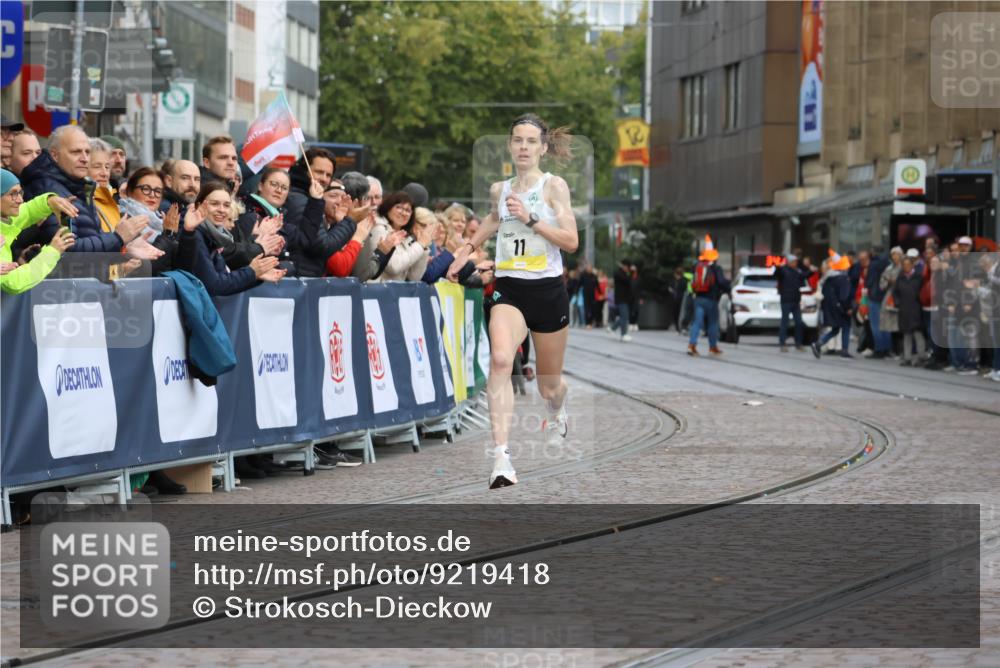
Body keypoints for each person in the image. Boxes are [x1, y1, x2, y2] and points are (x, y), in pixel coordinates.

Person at [446, 113, 578, 489]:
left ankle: (558, 406)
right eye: (517, 140)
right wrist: (467, 249)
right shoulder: (500, 189)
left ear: (543, 147)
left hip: (548, 291)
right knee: (502, 360)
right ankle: (501, 459)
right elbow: (491, 219)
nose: (523, 147)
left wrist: (533, 219)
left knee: (549, 386)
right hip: (511, 289)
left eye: (531, 141)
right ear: (509, 145)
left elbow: (571, 242)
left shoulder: (555, 187)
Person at [17, 126, 145, 259]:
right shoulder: (46, 189)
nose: (84, 158)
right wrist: (118, 237)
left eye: (87, 152)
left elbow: (93, 243)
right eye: (76, 152)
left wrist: (125, 254)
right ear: (54, 155)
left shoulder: (82, 188)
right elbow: (67, 250)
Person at [175, 181, 285, 295]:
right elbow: (215, 285)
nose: (221, 210)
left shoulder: (214, 236)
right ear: (199, 205)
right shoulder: (196, 234)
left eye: (226, 205)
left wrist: (256, 275)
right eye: (214, 204)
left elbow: (223, 280)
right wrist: (251, 272)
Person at [0, 169, 78, 293]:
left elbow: (29, 210)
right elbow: (14, 282)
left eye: (20, 192)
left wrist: (50, 201)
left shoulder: (5, 218)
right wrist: (53, 251)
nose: (20, 200)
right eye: (13, 194)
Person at [364, 192, 433, 282]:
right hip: (378, 292)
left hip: (397, 293)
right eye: (399, 207)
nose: (403, 213)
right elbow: (394, 267)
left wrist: (423, 249)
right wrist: (419, 245)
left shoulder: (407, 237)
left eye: (408, 210)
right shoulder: (379, 229)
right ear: (388, 208)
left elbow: (414, 278)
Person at [687, 235, 730, 356]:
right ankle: (713, 347)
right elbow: (721, 282)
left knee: (697, 322)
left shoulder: (696, 267)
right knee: (712, 323)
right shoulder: (716, 268)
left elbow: (692, 280)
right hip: (711, 299)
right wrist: (728, 286)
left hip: (698, 298)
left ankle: (692, 345)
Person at [811, 250, 854, 359]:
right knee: (846, 327)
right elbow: (844, 296)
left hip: (831, 308)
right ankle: (844, 350)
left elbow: (825, 293)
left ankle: (819, 343)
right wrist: (848, 307)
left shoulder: (828, 278)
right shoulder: (843, 279)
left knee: (835, 329)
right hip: (841, 308)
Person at [893, 255, 927, 366]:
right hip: (904, 309)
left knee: (917, 333)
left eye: (908, 264)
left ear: (912, 265)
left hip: (916, 308)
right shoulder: (901, 277)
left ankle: (921, 356)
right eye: (904, 265)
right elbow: (895, 292)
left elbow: (923, 291)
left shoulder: (918, 277)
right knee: (906, 334)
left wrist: (920, 301)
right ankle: (907, 357)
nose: (906, 267)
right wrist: (897, 302)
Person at [775, 254, 808, 351]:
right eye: (794, 261)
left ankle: (798, 343)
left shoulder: (797, 271)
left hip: (796, 300)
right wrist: (778, 268)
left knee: (799, 322)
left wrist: (810, 270)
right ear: (789, 262)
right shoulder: (783, 270)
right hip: (786, 300)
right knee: (785, 322)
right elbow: (777, 274)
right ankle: (782, 343)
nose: (796, 263)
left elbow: (804, 275)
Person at [611, 258, 633, 341]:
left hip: (626, 298)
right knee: (624, 317)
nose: (628, 268)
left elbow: (629, 282)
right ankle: (623, 334)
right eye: (627, 266)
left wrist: (629, 272)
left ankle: (613, 328)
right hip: (621, 298)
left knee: (624, 317)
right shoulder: (618, 273)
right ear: (624, 266)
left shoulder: (624, 273)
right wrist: (630, 272)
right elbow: (627, 280)